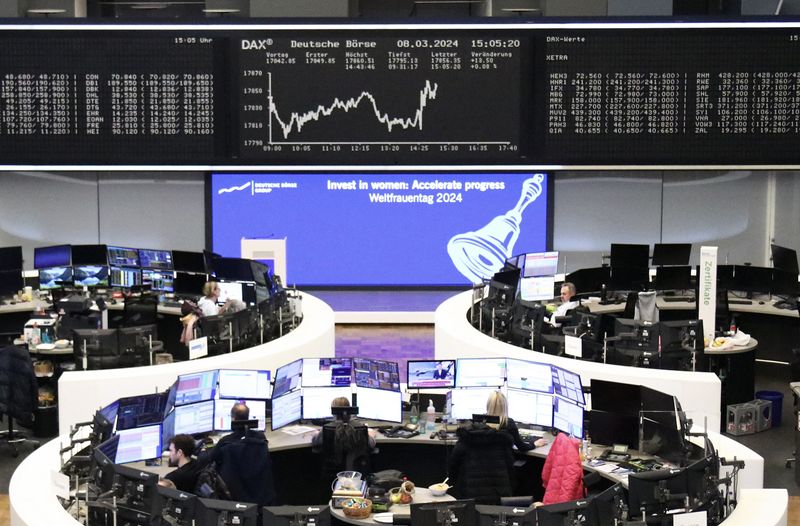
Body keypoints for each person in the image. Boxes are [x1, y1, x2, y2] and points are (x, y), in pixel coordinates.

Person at [196, 402, 275, 506]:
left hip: (235, 494)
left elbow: (207, 459)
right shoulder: (260, 437)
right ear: (247, 417)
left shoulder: (226, 441)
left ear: (233, 419)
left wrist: (201, 450)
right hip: (258, 490)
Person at [312, 397, 376, 476]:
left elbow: (315, 442)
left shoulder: (327, 428)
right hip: (356, 469)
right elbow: (371, 444)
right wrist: (371, 435)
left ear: (333, 412)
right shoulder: (360, 428)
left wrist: (316, 433)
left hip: (334, 467)